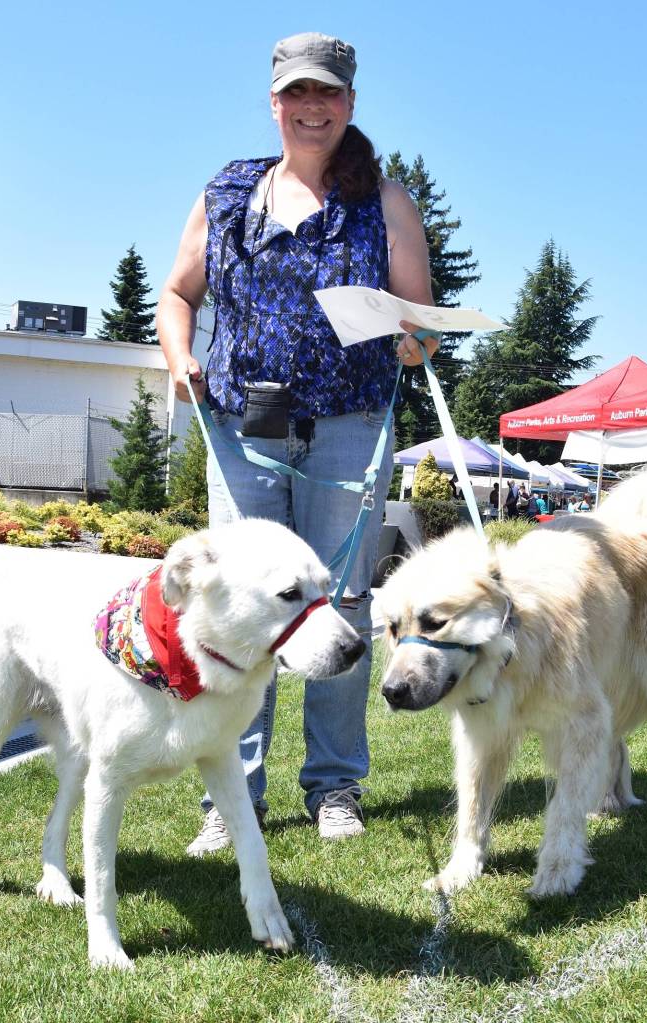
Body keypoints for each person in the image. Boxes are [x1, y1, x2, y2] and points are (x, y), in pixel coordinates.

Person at [156, 32, 439, 854]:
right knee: (239, 604)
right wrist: (180, 359)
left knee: (342, 602)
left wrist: (412, 340)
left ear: (349, 104)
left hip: (350, 426)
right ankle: (229, 792)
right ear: (274, 101)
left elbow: (417, 318)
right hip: (248, 427)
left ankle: (335, 782)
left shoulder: (384, 200)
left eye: (329, 95)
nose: (312, 109)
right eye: (297, 94)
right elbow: (178, 294)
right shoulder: (229, 191)